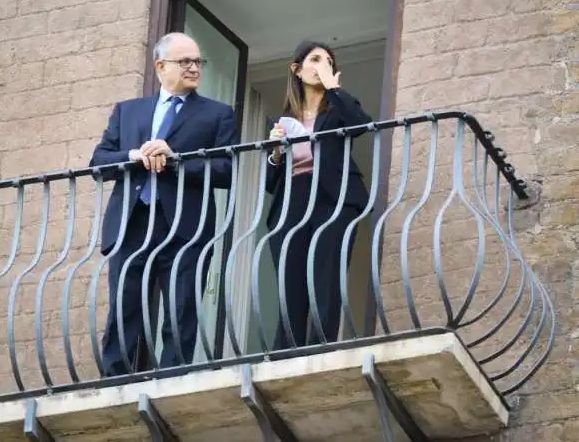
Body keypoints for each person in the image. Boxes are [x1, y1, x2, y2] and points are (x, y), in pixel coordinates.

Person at [90, 32, 239, 375]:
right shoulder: (128, 111)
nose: (193, 67)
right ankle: (117, 385)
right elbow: (98, 162)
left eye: (198, 61)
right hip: (132, 222)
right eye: (184, 61)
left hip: (185, 227)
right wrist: (135, 155)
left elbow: (227, 170)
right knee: (124, 307)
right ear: (161, 66)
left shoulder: (218, 114)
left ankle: (172, 382)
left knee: (180, 307)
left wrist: (176, 159)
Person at [265, 40, 371, 349]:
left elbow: (360, 125)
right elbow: (271, 181)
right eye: (314, 59)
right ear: (296, 70)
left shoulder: (338, 109)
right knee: (290, 279)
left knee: (327, 276)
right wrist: (275, 153)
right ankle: (285, 353)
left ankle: (321, 346)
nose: (321, 64)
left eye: (328, 61)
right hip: (291, 199)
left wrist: (332, 88)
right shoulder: (283, 120)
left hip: (333, 197)